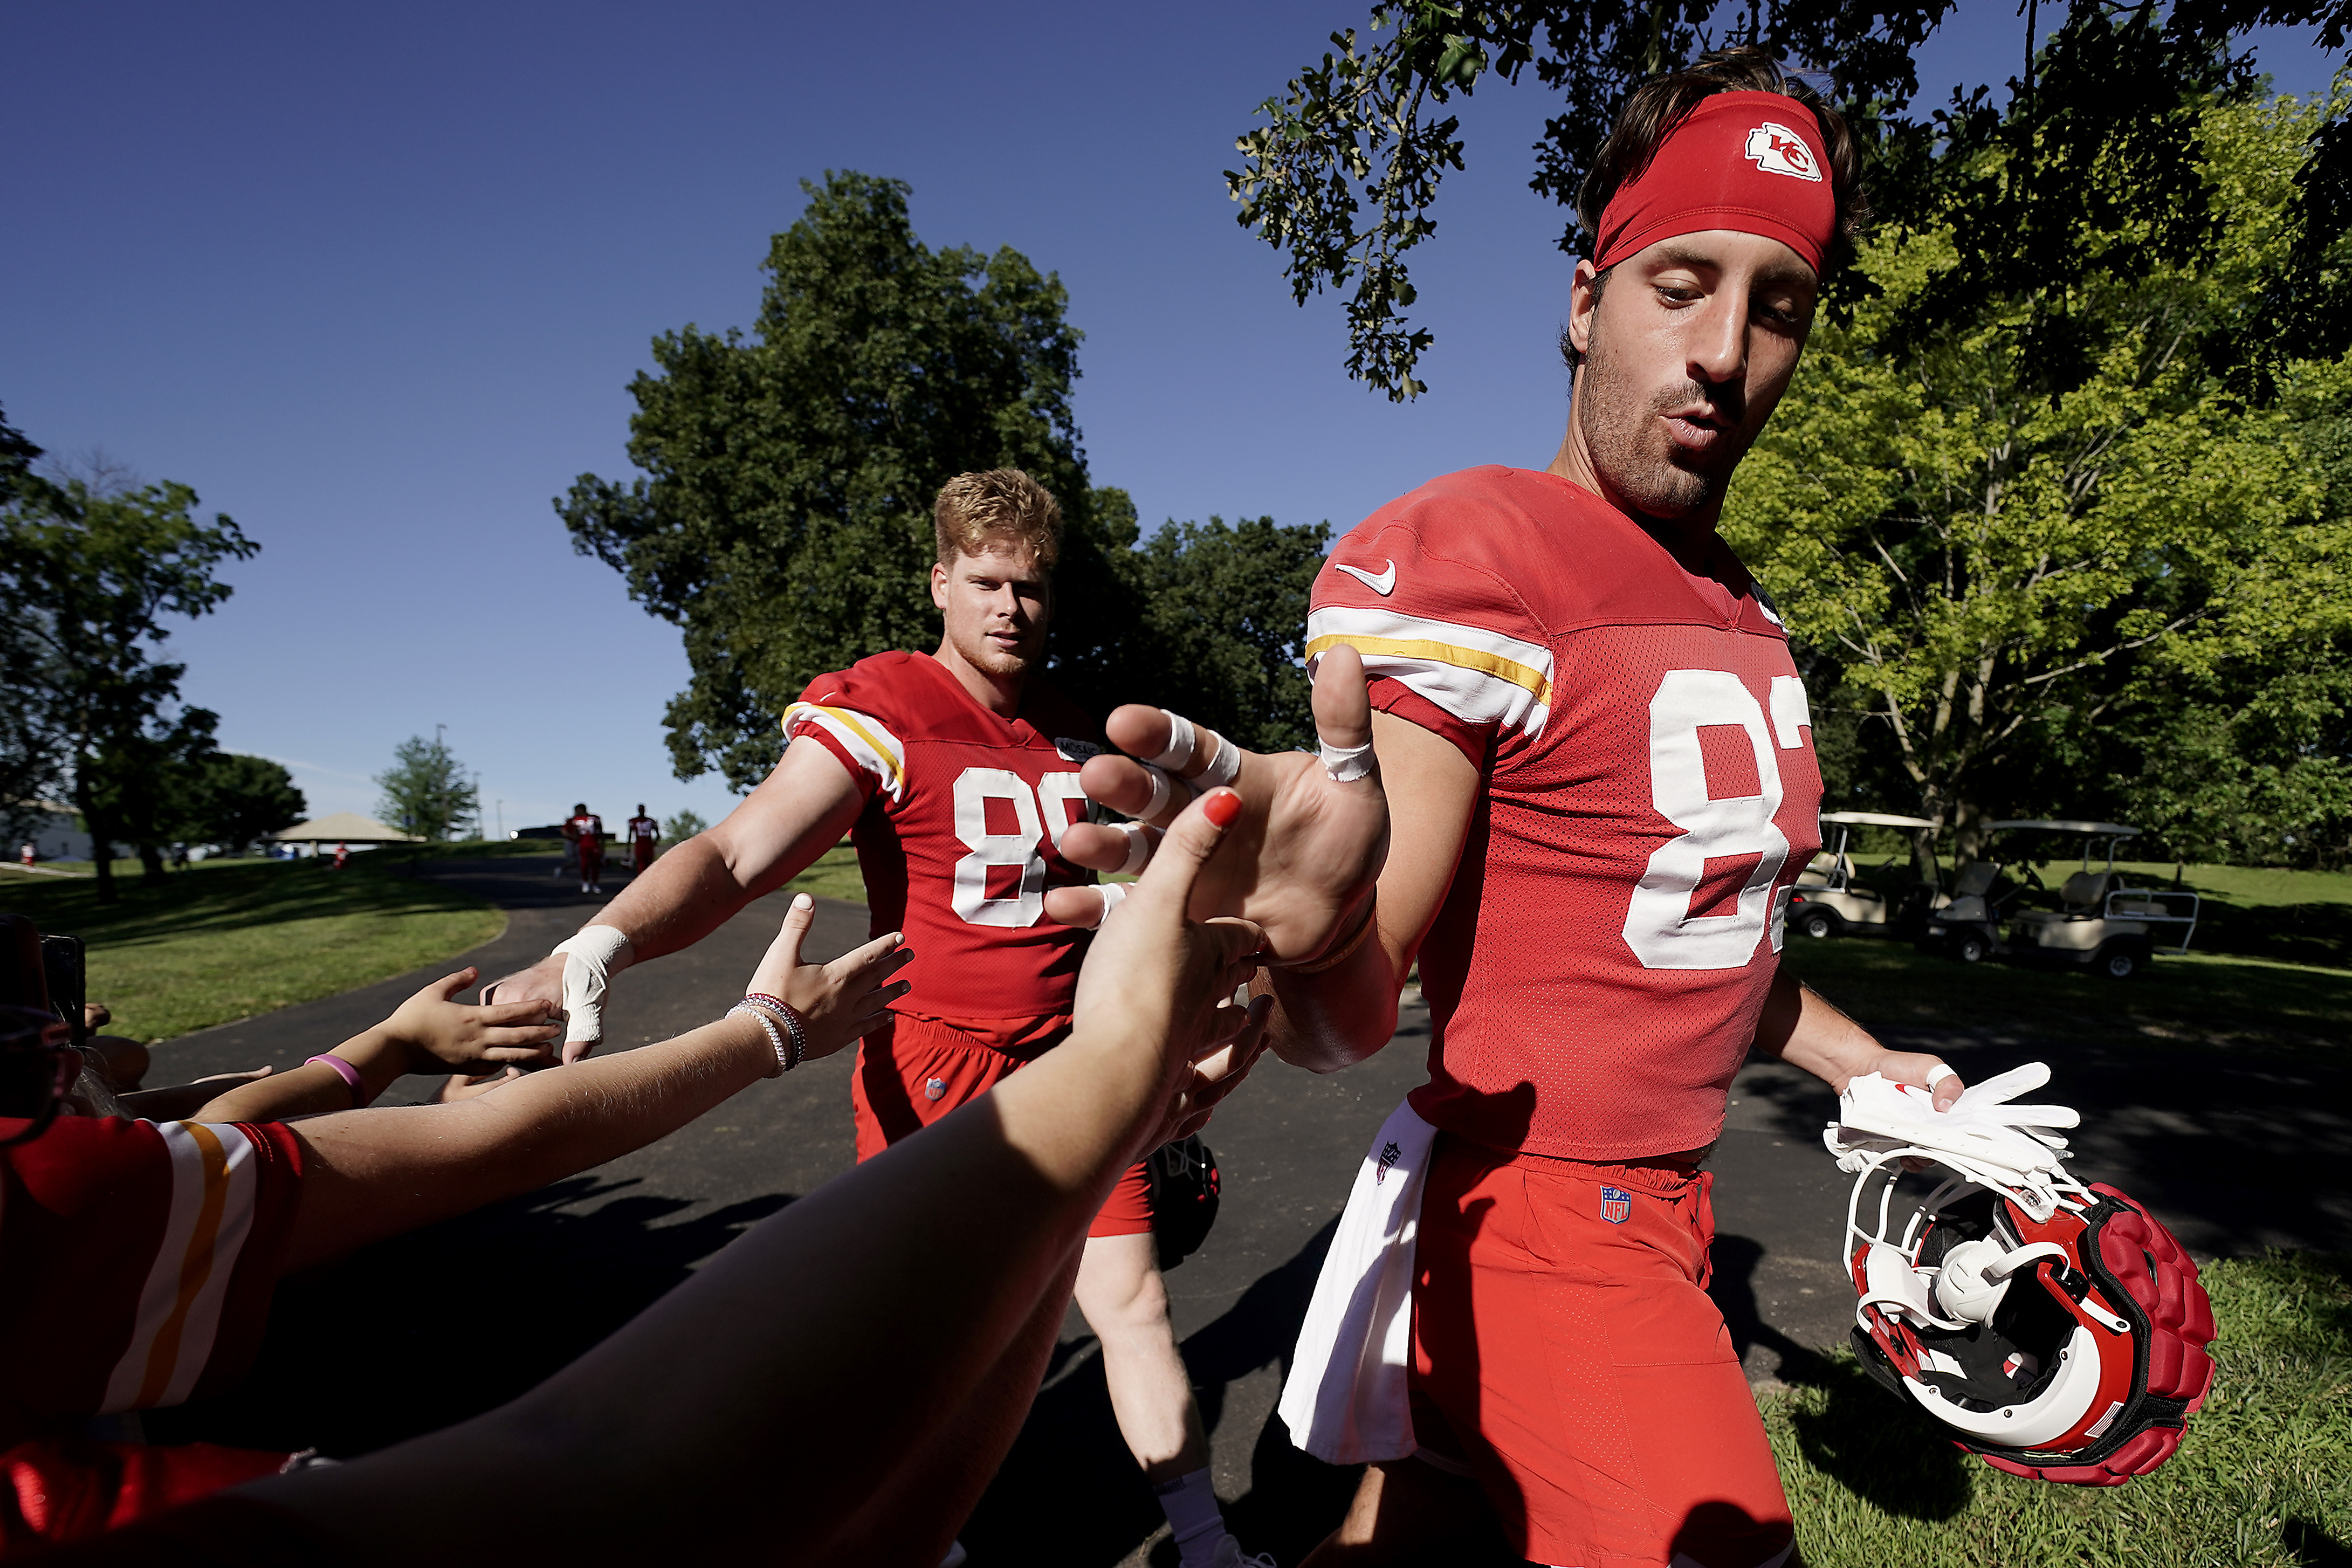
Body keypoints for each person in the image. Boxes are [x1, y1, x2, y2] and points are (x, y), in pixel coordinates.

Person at [1046, 52, 1973, 1568]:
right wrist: (1309, 919)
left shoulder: (1741, 610)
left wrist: (1865, 1059)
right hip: (1544, 1217)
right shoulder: (1484, 552)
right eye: (1682, 283)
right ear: (1583, 300)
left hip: (1667, 1202)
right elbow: (1353, 1004)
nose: (1727, 350)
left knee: (1411, 1532)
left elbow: (1698, 930)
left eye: (1779, 304)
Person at [26, 785, 1283, 1568]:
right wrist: (1118, 1067)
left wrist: (377, 1051)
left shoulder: (75, 1189)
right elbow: (633, 1474)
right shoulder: (45, 1202)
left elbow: (198, 1136)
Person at [487, 470, 1265, 1566]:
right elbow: (737, 850)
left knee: (1130, 1300)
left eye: (1032, 588)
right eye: (986, 582)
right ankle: (910, 1538)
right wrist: (600, 942)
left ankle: (1205, 1541)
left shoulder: (1080, 726)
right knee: (922, 1334)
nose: (1010, 608)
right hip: (941, 1058)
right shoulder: (885, 706)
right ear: (940, 580)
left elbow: (1151, 901)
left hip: (1078, 1053)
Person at [0, 895, 908, 1551]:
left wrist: (394, 1048)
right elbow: (488, 1146)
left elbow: (196, 1119)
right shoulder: (34, 1174)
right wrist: (768, 1031)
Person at [565, 804, 604, 895]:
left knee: (595, 865)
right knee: (584, 864)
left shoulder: (595, 819)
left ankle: (595, 884)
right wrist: (574, 846)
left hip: (594, 844)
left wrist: (602, 846)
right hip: (583, 844)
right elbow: (575, 835)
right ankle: (585, 882)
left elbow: (600, 832)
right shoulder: (576, 821)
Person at [625, 804, 659, 875]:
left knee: (650, 864)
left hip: (648, 844)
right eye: (640, 809)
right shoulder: (633, 821)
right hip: (640, 844)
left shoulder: (651, 821)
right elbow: (630, 834)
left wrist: (654, 843)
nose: (641, 811)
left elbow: (658, 834)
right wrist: (628, 846)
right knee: (641, 864)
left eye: (643, 809)